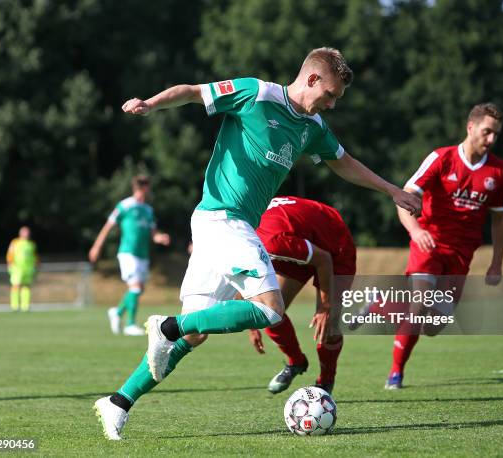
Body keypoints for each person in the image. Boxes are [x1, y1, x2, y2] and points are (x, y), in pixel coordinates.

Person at [94, 47, 421, 440]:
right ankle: (165, 326)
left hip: (228, 228)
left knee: (194, 334)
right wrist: (150, 104)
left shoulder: (311, 125)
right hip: (222, 220)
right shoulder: (256, 93)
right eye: (330, 95)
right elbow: (194, 91)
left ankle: (118, 402)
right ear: (312, 79)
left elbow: (343, 161)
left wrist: (390, 190)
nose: (332, 104)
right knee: (269, 310)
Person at [384, 103, 503, 389]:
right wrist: (416, 230)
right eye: (486, 131)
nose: (491, 139)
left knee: (433, 327)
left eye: (496, 135)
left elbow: (501, 221)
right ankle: (395, 373)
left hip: (461, 255)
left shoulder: (500, 172)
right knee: (418, 305)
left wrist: (497, 263)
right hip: (428, 244)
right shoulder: (441, 158)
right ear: (470, 127)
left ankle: (384, 304)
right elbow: (405, 197)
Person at [248, 196, 356, 395]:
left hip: (333, 242)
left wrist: (325, 307)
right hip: (298, 237)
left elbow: (323, 260)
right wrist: (252, 323)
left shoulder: (269, 242)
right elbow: (240, 277)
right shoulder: (242, 234)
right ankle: (296, 362)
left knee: (329, 325)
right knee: (269, 312)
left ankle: (325, 381)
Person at [89, 175, 171, 336]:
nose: (145, 190)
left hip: (143, 254)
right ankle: (130, 324)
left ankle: (117, 312)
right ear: (138, 188)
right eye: (142, 187)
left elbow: (153, 233)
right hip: (128, 252)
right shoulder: (125, 205)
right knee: (135, 287)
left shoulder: (148, 210)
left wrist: (159, 238)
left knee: (139, 289)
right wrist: (96, 246)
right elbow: (108, 226)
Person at [6, 226, 39, 312]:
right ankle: (14, 306)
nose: (27, 234)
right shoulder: (15, 242)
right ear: (20, 233)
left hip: (28, 269)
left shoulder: (31, 244)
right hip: (17, 268)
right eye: (25, 232)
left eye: (28, 232)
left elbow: (35, 256)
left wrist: (36, 264)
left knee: (26, 286)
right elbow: (10, 254)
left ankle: (25, 306)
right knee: (16, 285)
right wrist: (10, 263)